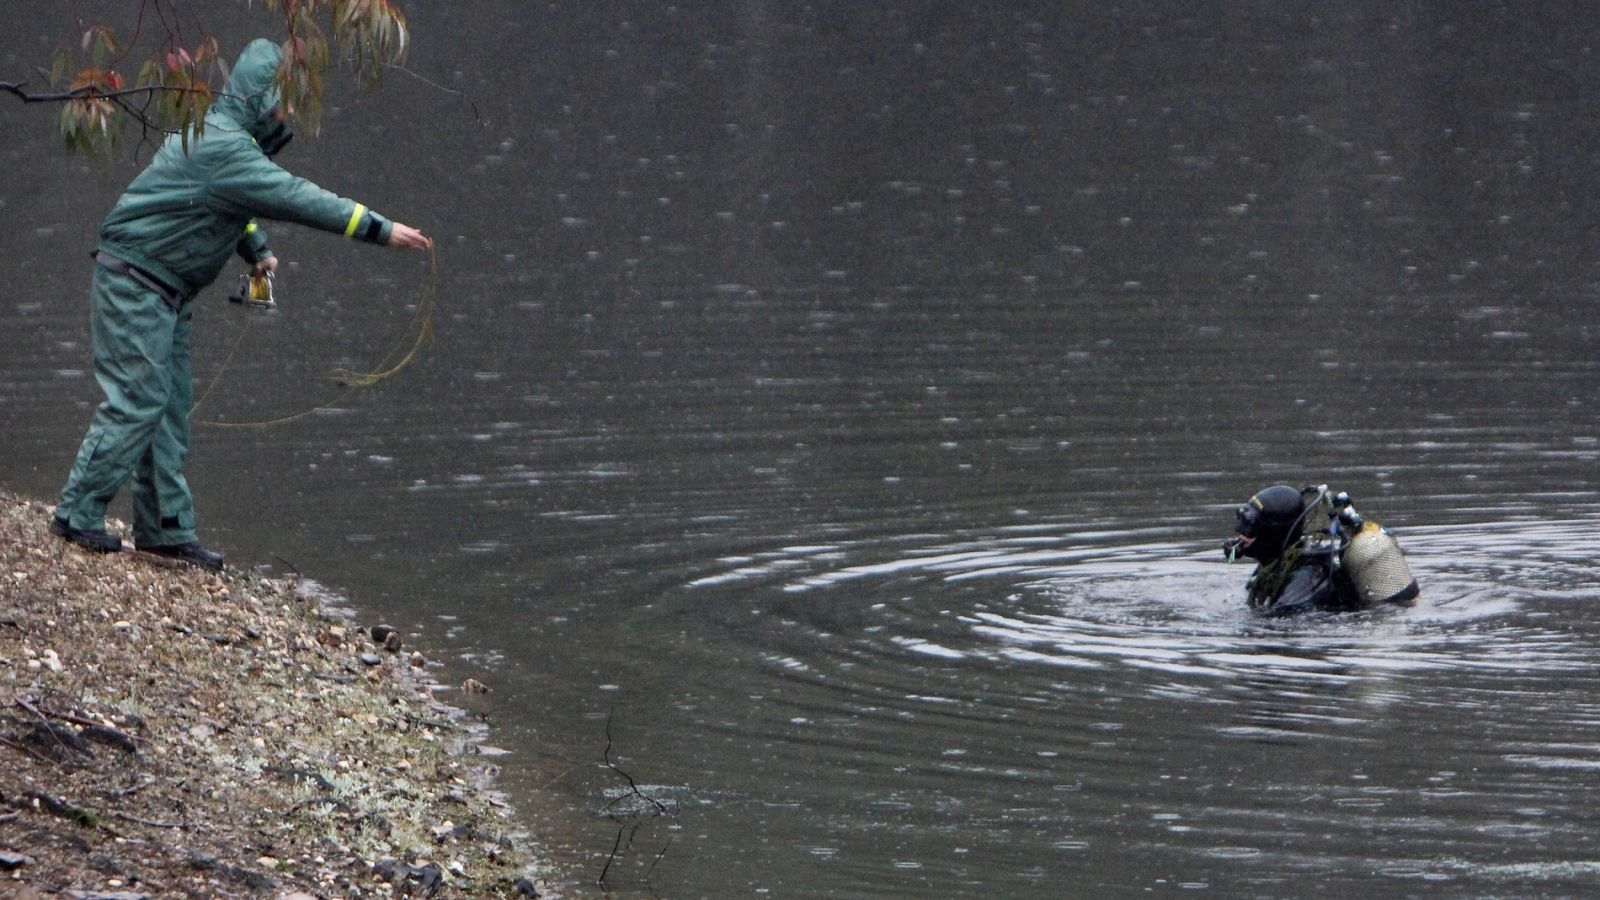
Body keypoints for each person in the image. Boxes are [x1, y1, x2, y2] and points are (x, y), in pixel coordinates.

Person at [49, 38, 433, 571]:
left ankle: (165, 530)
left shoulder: (216, 138)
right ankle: (76, 513)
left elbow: (226, 202)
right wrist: (378, 229)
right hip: (135, 283)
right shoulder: (225, 149)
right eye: (283, 100)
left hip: (166, 290)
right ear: (259, 97)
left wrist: (254, 250)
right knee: (139, 400)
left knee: (168, 408)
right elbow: (296, 197)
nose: (289, 112)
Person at [1223, 484, 1420, 616]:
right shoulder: (1277, 565)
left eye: (1250, 527)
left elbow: (1284, 618)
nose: (1240, 534)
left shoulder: (1307, 576)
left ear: (1271, 533)